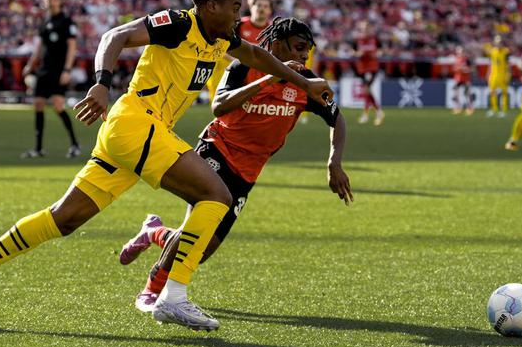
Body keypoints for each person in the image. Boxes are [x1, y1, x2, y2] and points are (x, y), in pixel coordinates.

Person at [0, 0, 333, 332]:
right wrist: (101, 83)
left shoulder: (222, 39)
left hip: (136, 133)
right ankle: (173, 296)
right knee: (216, 196)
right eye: (234, 7)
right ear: (210, 6)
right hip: (136, 123)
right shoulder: (178, 23)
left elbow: (257, 56)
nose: (239, 15)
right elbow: (115, 36)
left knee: (65, 218)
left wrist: (304, 82)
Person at [119, 17, 353, 319]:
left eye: (307, 51)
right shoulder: (243, 67)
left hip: (249, 170)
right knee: (196, 230)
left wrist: (334, 161)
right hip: (217, 150)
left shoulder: (306, 81)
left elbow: (337, 118)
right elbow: (219, 106)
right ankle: (152, 289)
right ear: (276, 45)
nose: (303, 56)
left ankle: (154, 232)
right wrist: (270, 79)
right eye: (298, 48)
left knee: (202, 251)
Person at [21, 0, 80, 159]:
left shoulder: (66, 21)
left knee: (58, 105)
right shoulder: (45, 21)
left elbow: (72, 47)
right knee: (38, 103)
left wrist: (67, 70)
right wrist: (30, 64)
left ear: (60, 1)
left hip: (59, 69)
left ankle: (74, 145)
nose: (52, 2)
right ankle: (38, 148)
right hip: (44, 69)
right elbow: (40, 46)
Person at [205, 0, 273, 102]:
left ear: (270, 10)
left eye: (265, 6)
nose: (261, 9)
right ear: (251, 7)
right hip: (231, 68)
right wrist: (238, 63)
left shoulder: (273, 31)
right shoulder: (238, 24)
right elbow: (221, 45)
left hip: (257, 73)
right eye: (258, 5)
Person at [355, 21, 383, 125]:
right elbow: (354, 51)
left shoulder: (374, 39)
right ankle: (377, 112)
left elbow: (380, 50)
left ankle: (368, 114)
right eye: (362, 29)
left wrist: (378, 53)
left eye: (365, 28)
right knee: (367, 91)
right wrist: (358, 53)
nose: (364, 31)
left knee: (366, 89)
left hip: (372, 67)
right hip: (362, 68)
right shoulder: (358, 40)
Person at [485, 35, 511, 118]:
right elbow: (491, 64)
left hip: (503, 74)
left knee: (504, 93)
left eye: (500, 42)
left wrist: (508, 74)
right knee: (492, 92)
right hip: (494, 74)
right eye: (497, 42)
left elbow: (508, 64)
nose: (499, 44)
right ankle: (494, 109)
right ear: (495, 43)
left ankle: (504, 110)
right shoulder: (492, 51)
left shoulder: (506, 51)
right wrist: (488, 74)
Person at [451, 45, 474, 115]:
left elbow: (472, 69)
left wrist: (466, 70)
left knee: (467, 93)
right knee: (456, 94)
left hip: (465, 79)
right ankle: (458, 108)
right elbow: (454, 69)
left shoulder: (467, 60)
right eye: (458, 52)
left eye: (461, 52)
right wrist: (459, 69)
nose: (459, 53)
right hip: (458, 78)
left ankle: (470, 108)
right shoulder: (456, 59)